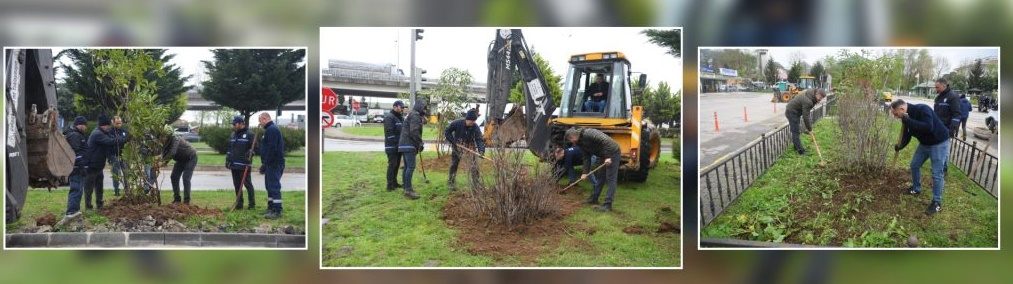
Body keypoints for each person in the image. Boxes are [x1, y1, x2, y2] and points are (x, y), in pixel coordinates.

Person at [890, 100, 950, 216]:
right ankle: (916, 188)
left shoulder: (922, 109)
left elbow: (928, 127)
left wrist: (909, 121)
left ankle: (937, 203)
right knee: (914, 165)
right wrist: (901, 146)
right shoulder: (906, 118)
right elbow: (907, 134)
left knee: (937, 173)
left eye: (896, 114)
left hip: (939, 142)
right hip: (925, 144)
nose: (895, 117)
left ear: (902, 109)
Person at [566, 127, 621, 212]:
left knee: (611, 178)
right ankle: (594, 199)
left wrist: (608, 157)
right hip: (603, 154)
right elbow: (586, 157)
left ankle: (608, 205)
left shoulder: (589, 133)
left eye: (570, 140)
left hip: (612, 151)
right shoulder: (580, 142)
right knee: (600, 177)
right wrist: (585, 172)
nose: (571, 142)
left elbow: (605, 141)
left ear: (572, 137)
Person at [85, 115, 126, 210]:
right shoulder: (97, 134)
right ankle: (88, 207)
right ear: (103, 125)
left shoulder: (103, 132)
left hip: (99, 165)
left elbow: (112, 137)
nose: (109, 127)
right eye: (108, 125)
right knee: (89, 187)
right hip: (91, 165)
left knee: (99, 187)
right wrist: (123, 139)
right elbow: (110, 141)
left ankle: (99, 204)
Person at [444, 109, 486, 190]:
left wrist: (481, 150)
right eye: (471, 121)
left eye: (474, 121)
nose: (472, 122)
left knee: (474, 165)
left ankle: (476, 183)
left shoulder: (475, 127)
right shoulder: (457, 123)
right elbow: (447, 131)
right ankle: (451, 183)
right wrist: (454, 142)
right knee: (454, 164)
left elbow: (479, 139)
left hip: (469, 146)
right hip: (457, 146)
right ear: (467, 119)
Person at [258, 112, 286, 219]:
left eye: (260, 121)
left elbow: (272, 148)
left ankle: (277, 210)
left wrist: (266, 163)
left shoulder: (272, 130)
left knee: (274, 186)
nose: (259, 124)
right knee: (269, 186)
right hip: (270, 163)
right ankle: (271, 208)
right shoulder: (269, 130)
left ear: (265, 119)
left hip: (274, 163)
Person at [398, 100, 427, 200]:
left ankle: (406, 188)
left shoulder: (412, 114)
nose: (424, 109)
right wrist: (420, 143)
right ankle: (408, 190)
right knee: (410, 167)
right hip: (409, 144)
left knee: (407, 167)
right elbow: (414, 130)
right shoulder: (415, 115)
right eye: (424, 107)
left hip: (404, 144)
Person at [226, 116, 256, 210]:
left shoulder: (250, 134)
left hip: (244, 165)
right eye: (233, 124)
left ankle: (251, 205)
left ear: (241, 123)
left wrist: (251, 152)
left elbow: (256, 147)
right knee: (237, 185)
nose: (234, 126)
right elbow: (230, 149)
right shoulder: (233, 134)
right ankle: (239, 204)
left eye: (235, 124)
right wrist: (228, 160)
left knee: (248, 185)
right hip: (234, 165)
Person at [785, 88, 826, 155]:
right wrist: (810, 129)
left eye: (822, 98)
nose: (820, 99)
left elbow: (806, 114)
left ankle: (797, 147)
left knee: (796, 131)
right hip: (792, 112)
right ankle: (801, 151)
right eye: (820, 97)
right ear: (817, 94)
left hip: (795, 112)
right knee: (796, 132)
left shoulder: (811, 94)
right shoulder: (808, 101)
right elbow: (806, 117)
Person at [62, 116, 89, 220]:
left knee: (78, 189)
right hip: (77, 168)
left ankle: (75, 211)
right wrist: (82, 166)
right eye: (85, 126)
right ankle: (71, 212)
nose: (86, 128)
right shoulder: (74, 135)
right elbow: (75, 153)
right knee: (76, 189)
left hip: (78, 167)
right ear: (80, 125)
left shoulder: (77, 134)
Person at [162, 133, 198, 204]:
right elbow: (166, 153)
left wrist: (163, 161)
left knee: (186, 178)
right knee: (174, 177)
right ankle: (177, 199)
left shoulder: (176, 139)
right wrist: (164, 162)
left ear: (166, 136)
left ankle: (186, 201)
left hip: (190, 158)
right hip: (181, 160)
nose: (160, 140)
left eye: (161, 137)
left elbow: (172, 152)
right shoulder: (166, 143)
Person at [383, 100, 406, 191]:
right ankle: (389, 185)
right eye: (401, 107)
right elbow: (389, 133)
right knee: (392, 165)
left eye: (403, 107)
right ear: (395, 107)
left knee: (396, 165)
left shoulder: (400, 117)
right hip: (391, 146)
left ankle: (395, 183)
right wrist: (396, 143)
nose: (403, 109)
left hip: (399, 146)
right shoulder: (389, 117)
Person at [109, 116, 128, 196]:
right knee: (116, 173)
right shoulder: (110, 132)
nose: (119, 125)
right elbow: (112, 141)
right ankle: (116, 190)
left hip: (123, 155)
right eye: (117, 123)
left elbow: (126, 140)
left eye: (120, 123)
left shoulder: (124, 131)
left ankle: (127, 189)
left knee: (126, 172)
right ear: (113, 123)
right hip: (114, 155)